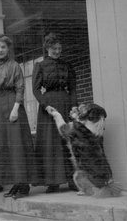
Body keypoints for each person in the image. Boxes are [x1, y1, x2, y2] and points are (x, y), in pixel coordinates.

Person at [0, 33, 38, 199]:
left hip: (13, 106)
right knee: (4, 147)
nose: (0, 50)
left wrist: (16, 109)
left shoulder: (15, 65)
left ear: (8, 49)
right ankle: (14, 183)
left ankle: (24, 185)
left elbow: (20, 88)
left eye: (3, 47)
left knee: (17, 146)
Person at [32, 33, 78, 193]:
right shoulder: (40, 65)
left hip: (65, 104)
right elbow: (35, 89)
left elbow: (73, 88)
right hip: (49, 107)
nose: (57, 51)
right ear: (47, 48)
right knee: (50, 143)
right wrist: (45, 106)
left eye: (59, 48)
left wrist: (74, 107)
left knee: (68, 140)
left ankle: (73, 179)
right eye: (54, 48)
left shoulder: (67, 66)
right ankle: (53, 182)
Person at [46, 103, 121, 197]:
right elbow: (83, 123)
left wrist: (56, 114)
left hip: (91, 181)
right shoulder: (98, 134)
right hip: (106, 178)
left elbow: (63, 129)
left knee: (77, 176)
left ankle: (87, 190)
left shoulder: (76, 129)